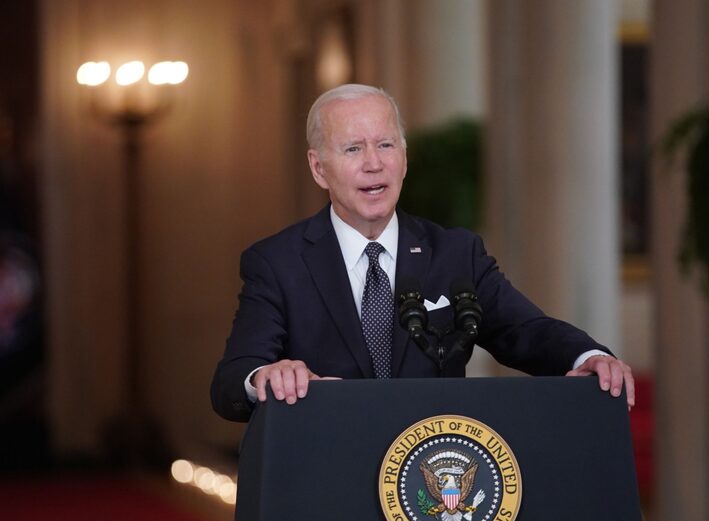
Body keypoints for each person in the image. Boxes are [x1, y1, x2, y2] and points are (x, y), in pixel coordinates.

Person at [210, 84, 634, 422]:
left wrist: (590, 356)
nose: (374, 164)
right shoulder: (278, 262)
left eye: (386, 145)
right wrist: (264, 377)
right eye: (354, 149)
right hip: (329, 478)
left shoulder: (455, 253)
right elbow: (231, 381)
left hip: (432, 480)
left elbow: (526, 330)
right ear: (319, 168)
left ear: (405, 158)